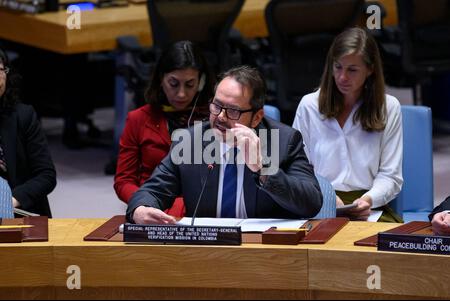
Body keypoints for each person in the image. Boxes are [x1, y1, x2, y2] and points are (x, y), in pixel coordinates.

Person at [126, 65, 322, 224]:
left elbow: (311, 203)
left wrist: (263, 169)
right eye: (217, 105)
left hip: (263, 251)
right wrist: (141, 209)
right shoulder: (190, 141)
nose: (220, 117)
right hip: (207, 249)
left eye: (233, 111)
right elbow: (152, 190)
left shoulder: (285, 141)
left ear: (257, 118)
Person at [292, 27, 403, 222]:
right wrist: (327, 196)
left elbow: (390, 175)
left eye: (352, 70)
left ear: (370, 70)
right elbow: (298, 168)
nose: (342, 77)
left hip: (368, 206)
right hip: (319, 202)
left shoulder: (389, 107)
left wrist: (368, 199)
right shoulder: (309, 105)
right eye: (338, 67)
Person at [114, 41, 215, 217]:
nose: (181, 94)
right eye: (173, 84)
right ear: (161, 79)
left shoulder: (215, 120)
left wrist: (181, 206)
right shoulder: (138, 119)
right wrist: (143, 203)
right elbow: (124, 181)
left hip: (203, 211)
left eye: (190, 84)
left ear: (201, 82)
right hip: (152, 208)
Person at [0, 48, 56, 217]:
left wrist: (11, 200)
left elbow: (46, 175)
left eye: (0, 70)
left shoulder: (24, 116)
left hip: (20, 211)